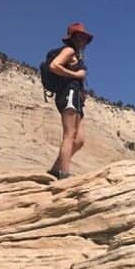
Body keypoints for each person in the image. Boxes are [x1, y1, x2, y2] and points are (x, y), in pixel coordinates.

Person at [48, 22, 93, 179]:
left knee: (79, 140)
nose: (82, 40)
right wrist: (75, 75)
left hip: (77, 97)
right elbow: (54, 66)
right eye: (79, 37)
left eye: (84, 38)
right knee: (69, 135)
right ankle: (64, 174)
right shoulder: (69, 50)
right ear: (72, 38)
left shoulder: (77, 54)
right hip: (69, 94)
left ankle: (55, 168)